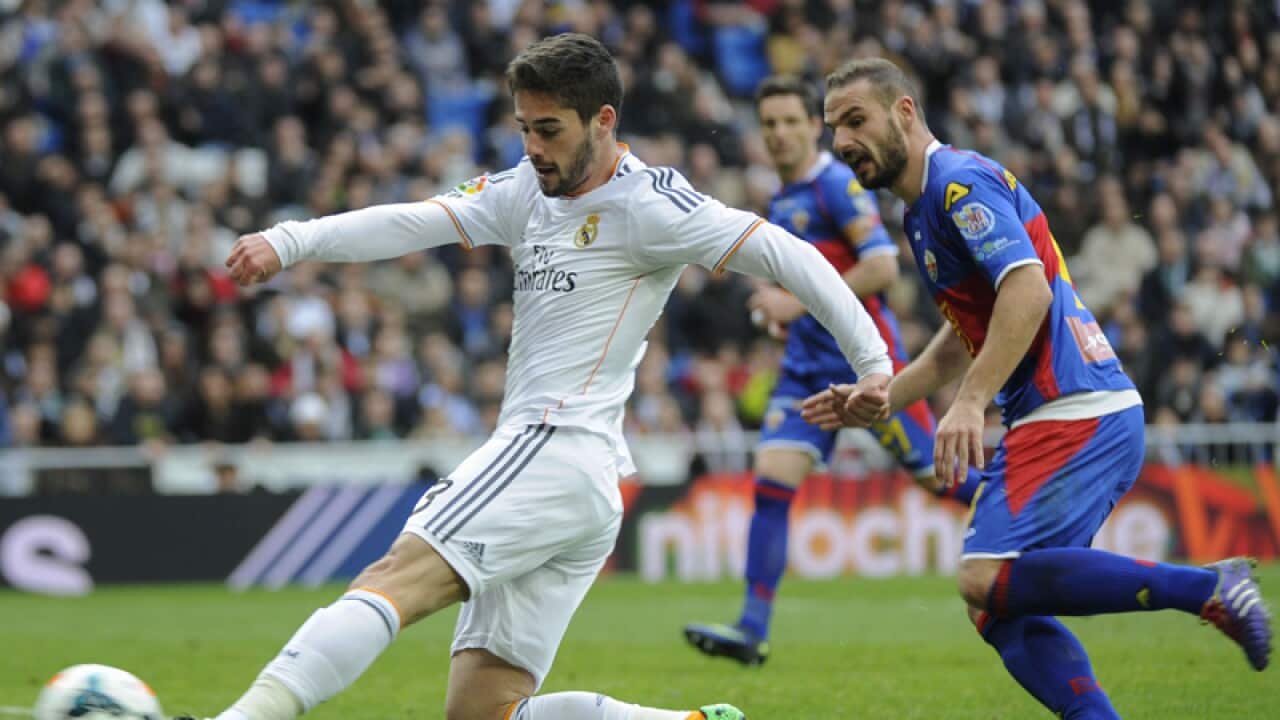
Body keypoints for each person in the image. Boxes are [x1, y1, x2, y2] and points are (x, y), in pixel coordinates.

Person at [189, 34, 894, 720]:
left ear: (603, 120)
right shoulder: (526, 189)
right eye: (524, 127)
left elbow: (790, 257)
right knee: (483, 711)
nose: (532, 146)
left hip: (554, 447)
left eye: (549, 129)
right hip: (576, 480)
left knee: (392, 577)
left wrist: (874, 367)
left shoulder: (650, 205)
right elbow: (412, 223)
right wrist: (292, 239)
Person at [802, 57, 1271, 718]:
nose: (842, 140)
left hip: (1072, 407)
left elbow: (1027, 287)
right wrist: (886, 394)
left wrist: (970, 402)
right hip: (1075, 410)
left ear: (904, 112)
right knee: (992, 603)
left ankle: (1209, 588)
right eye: (834, 128)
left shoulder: (958, 186)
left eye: (856, 119)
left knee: (982, 575)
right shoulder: (921, 213)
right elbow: (964, 333)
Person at [683, 75, 980, 667]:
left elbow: (880, 266)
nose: (780, 134)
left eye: (792, 121)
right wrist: (778, 307)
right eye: (769, 124)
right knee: (771, 483)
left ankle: (1030, 513)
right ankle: (751, 629)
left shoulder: (836, 186)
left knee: (940, 482)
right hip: (803, 373)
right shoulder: (783, 197)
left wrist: (796, 302)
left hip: (868, 370)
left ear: (811, 126)